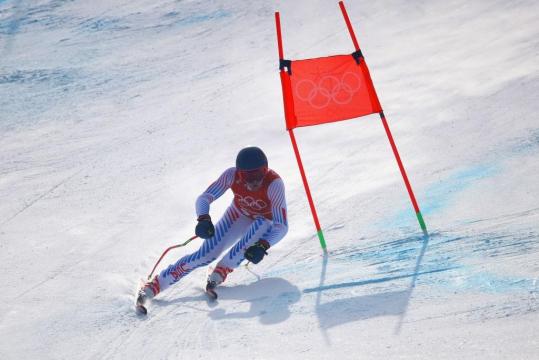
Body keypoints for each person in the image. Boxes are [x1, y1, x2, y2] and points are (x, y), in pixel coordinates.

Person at [138, 146, 288, 304]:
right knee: (205, 255)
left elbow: (281, 225)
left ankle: (222, 269)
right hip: (238, 214)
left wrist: (263, 245)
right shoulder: (231, 175)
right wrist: (203, 219)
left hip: (263, 220)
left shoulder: (274, 184)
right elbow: (204, 198)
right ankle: (156, 284)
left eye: (258, 173)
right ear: (239, 172)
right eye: (247, 175)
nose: (254, 181)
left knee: (248, 246)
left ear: (266, 170)